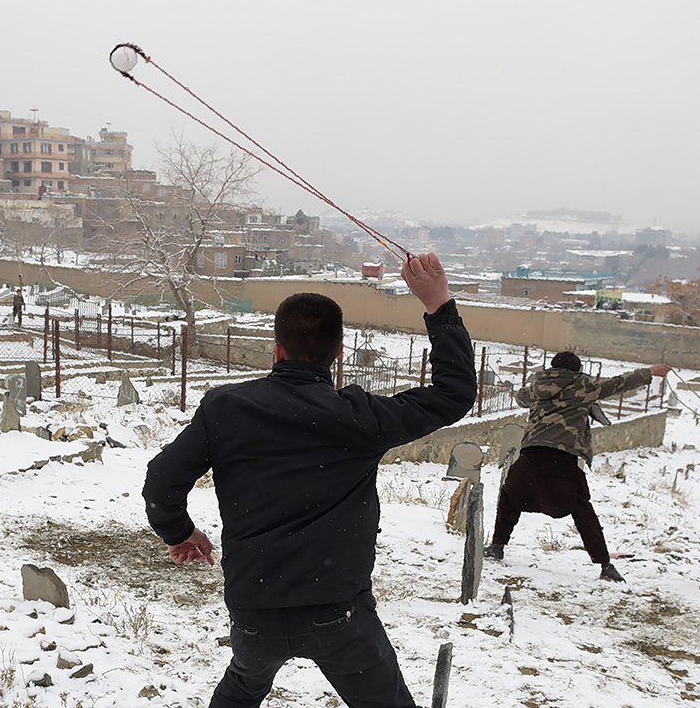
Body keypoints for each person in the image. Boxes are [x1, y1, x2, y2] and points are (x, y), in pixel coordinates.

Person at [143, 253, 476, 708]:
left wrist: (181, 532)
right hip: (337, 613)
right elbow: (452, 393)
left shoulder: (225, 410)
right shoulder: (359, 418)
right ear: (337, 354)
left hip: (253, 609)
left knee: (244, 682)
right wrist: (438, 304)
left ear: (276, 349)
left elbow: (162, 481)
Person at [484, 352, 670, 582]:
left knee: (510, 496)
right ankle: (604, 564)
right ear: (577, 370)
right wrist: (649, 372)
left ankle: (497, 546)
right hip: (563, 456)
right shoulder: (583, 385)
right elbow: (616, 384)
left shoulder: (538, 385)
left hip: (532, 452)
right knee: (581, 508)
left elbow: (520, 397)